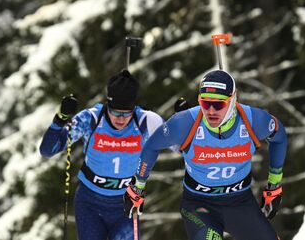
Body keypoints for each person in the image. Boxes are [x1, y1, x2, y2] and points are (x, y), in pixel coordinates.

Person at [123, 70, 287, 240]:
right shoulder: (184, 123)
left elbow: (279, 135)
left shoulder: (253, 120)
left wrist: (274, 185)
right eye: (205, 103)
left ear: (233, 99)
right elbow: (152, 146)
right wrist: (138, 185)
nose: (210, 111)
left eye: (218, 104)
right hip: (199, 204)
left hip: (240, 203)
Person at [40, 70, 163, 240]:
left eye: (126, 113)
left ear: (133, 109)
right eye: (115, 112)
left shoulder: (146, 122)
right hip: (90, 204)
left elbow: (180, 146)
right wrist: (60, 119)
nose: (120, 119)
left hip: (125, 206)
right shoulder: (91, 119)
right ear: (107, 104)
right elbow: (47, 150)